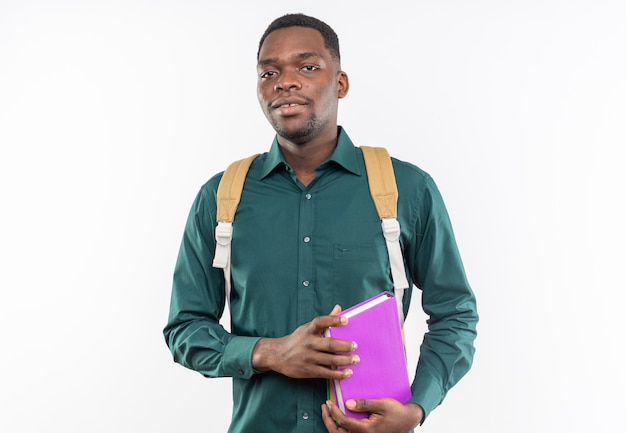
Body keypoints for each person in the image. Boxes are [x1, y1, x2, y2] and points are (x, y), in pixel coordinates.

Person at [164, 13, 478, 433]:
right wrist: (269, 353)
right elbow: (184, 328)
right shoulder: (221, 198)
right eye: (269, 72)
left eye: (307, 67)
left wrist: (417, 407)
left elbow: (455, 313)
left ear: (341, 83)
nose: (284, 82)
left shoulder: (407, 189)